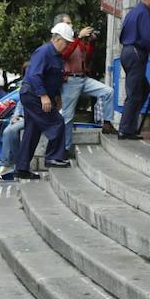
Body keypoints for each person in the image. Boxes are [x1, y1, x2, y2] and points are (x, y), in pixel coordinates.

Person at [16, 25, 73, 178]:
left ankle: (22, 168)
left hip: (36, 95)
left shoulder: (55, 56)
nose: (67, 46)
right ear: (57, 38)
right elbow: (34, 75)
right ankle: (53, 157)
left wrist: (56, 97)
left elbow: (54, 78)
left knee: (32, 131)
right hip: (34, 95)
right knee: (57, 122)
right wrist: (43, 96)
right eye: (66, 42)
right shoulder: (44, 52)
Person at [55, 14, 114, 158]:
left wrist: (92, 42)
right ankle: (66, 148)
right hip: (70, 80)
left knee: (108, 91)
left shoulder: (76, 41)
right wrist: (79, 38)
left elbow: (87, 56)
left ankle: (107, 123)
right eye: (67, 23)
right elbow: (65, 55)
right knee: (68, 116)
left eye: (71, 23)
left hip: (83, 78)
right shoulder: (62, 42)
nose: (71, 26)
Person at [117, 0, 150, 140]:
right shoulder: (144, 14)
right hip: (136, 53)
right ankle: (125, 130)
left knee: (143, 89)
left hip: (127, 51)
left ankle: (130, 126)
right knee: (134, 93)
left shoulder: (133, 12)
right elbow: (149, 38)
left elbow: (121, 34)